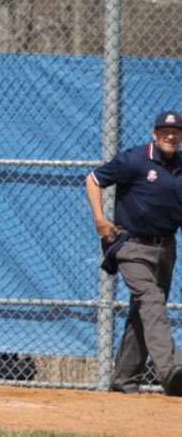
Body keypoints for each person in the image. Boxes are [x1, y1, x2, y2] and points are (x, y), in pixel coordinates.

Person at [87, 110, 182, 397]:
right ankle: (171, 369)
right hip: (130, 244)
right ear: (154, 133)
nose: (170, 134)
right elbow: (93, 179)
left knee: (144, 313)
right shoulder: (136, 159)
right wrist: (100, 220)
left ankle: (124, 381)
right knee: (151, 300)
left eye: (176, 131)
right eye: (164, 130)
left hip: (165, 247)